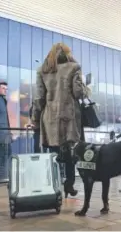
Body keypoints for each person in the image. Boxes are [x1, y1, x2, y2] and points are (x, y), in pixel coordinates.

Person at [31, 43, 90, 198]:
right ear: (67, 53)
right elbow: (78, 93)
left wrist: (35, 119)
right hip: (69, 117)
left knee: (54, 153)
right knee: (71, 152)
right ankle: (69, 183)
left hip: (49, 118)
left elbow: (38, 98)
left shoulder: (42, 70)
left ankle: (53, 186)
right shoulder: (74, 67)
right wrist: (86, 86)